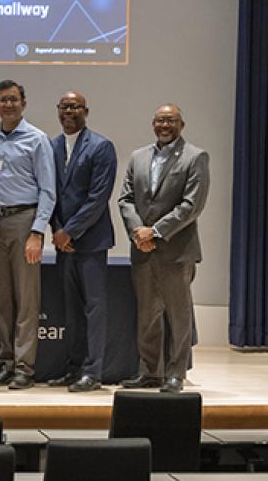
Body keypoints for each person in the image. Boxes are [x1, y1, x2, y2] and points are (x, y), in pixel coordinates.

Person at [118, 104, 209, 393]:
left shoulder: (195, 157)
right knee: (147, 315)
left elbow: (191, 206)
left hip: (176, 250)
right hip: (142, 249)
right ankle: (150, 372)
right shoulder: (138, 156)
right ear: (153, 124)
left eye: (170, 120)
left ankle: (176, 373)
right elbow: (126, 198)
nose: (164, 125)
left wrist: (155, 232)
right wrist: (137, 231)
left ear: (181, 124)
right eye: (159, 120)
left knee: (178, 315)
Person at [0, 80, 56, 390]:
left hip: (24, 222)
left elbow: (48, 191)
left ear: (23, 104)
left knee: (26, 299)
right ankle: (6, 362)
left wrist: (37, 232)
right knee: (1, 299)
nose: (8, 105)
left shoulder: (38, 139)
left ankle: (25, 368)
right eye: (3, 100)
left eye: (13, 100)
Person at [47, 92, 117, 392]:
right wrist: (58, 230)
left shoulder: (101, 146)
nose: (69, 111)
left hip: (90, 242)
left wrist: (69, 231)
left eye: (75, 107)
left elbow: (98, 198)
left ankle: (93, 371)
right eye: (64, 107)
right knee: (71, 311)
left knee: (94, 308)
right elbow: (48, 193)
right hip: (64, 244)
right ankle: (74, 369)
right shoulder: (50, 146)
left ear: (86, 111)